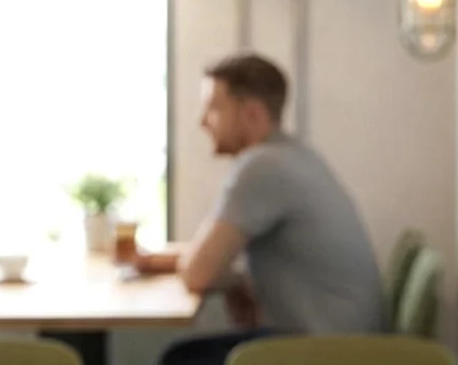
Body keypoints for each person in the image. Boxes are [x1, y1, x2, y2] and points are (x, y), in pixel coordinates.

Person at [138, 53, 387, 365]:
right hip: (353, 344)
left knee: (181, 360)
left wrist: (214, 273)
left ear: (252, 114)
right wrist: (230, 278)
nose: (202, 122)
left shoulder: (261, 168)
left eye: (214, 108)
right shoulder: (293, 156)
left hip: (326, 353)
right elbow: (212, 261)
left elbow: (197, 274)